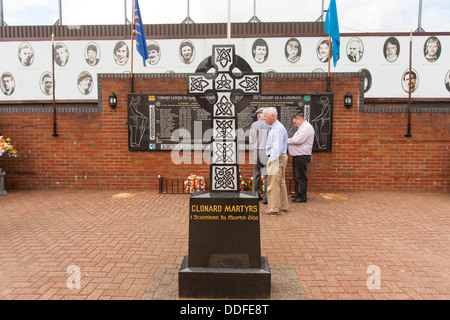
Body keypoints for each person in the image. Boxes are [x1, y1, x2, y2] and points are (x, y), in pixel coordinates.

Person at [262, 107, 288, 215]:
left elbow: (276, 147)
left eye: (265, 116)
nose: (264, 118)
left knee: (273, 184)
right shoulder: (277, 127)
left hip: (276, 158)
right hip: (280, 157)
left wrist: (272, 161)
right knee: (281, 182)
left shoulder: (277, 128)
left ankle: (273, 208)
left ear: (272, 116)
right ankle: (283, 206)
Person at [288, 114, 315, 203]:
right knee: (297, 176)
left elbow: (297, 140)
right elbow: (295, 139)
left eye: (295, 123)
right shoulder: (302, 128)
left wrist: (286, 140)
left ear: (299, 119)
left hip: (302, 156)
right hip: (298, 155)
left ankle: (302, 196)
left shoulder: (306, 127)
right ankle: (298, 193)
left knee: (301, 177)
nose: (295, 125)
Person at [249, 108, 270, 203]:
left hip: (256, 151)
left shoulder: (254, 124)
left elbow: (251, 140)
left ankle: (255, 196)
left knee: (256, 174)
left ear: (258, 115)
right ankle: (266, 198)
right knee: (266, 175)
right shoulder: (269, 125)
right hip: (265, 151)